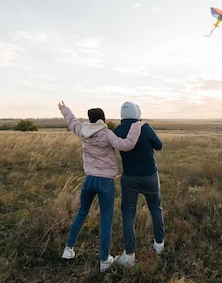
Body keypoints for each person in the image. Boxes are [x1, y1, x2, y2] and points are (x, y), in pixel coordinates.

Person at [58, 101, 143, 272]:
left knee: (82, 213)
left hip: (89, 180)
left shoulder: (83, 131)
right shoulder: (107, 134)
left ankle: (68, 250)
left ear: (90, 119)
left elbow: (72, 122)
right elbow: (126, 145)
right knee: (106, 221)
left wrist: (64, 109)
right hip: (105, 182)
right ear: (103, 119)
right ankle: (104, 261)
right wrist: (136, 125)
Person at [113, 101, 165, 268]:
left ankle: (129, 255)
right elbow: (159, 145)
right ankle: (159, 245)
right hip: (150, 175)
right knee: (155, 208)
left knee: (128, 213)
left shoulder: (117, 130)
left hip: (129, 177)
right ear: (137, 113)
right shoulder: (145, 127)